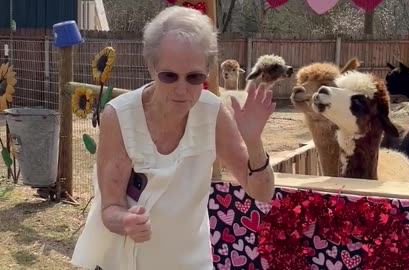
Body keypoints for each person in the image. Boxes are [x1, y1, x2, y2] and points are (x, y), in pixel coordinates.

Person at [71, 6, 275, 270]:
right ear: (151, 67)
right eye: (169, 76)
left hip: (190, 261)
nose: (182, 89)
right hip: (128, 261)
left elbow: (262, 192)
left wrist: (254, 141)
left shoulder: (213, 114)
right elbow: (110, 208)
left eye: (194, 77)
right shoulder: (119, 117)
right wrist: (126, 221)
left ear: (208, 72)